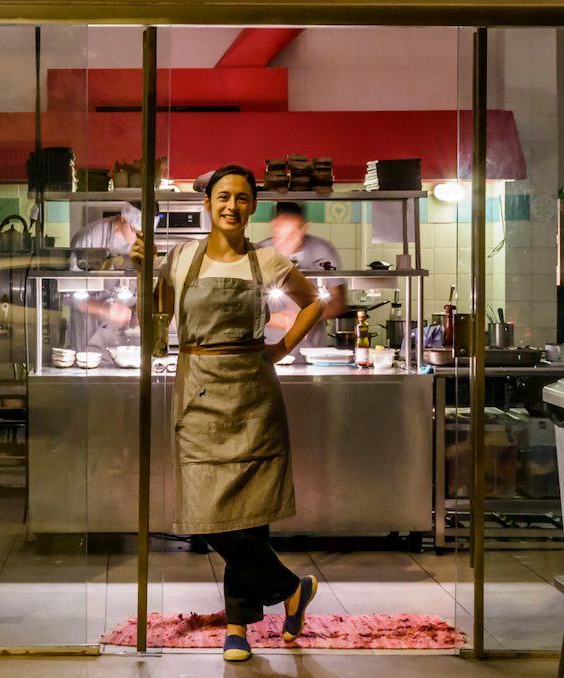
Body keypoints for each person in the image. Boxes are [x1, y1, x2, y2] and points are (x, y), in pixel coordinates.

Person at [131, 165, 322, 663]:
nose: (231, 205)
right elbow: (154, 335)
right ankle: (291, 590)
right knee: (211, 519)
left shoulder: (268, 260)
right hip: (198, 396)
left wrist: (279, 350)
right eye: (222, 196)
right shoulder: (181, 258)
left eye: (241, 197)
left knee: (250, 519)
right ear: (207, 203)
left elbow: (313, 303)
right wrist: (141, 273)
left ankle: (237, 627)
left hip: (254, 398)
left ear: (253, 205)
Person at [258, 202, 347, 356]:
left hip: (312, 353)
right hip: (267, 352)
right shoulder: (260, 253)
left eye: (293, 234)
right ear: (273, 225)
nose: (287, 240)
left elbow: (339, 303)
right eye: (282, 234)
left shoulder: (322, 251)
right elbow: (243, 308)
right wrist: (275, 319)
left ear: (304, 227)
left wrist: (305, 317)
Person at [66, 204, 143, 364]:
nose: (138, 237)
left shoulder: (143, 245)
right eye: (134, 230)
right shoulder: (89, 239)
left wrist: (138, 315)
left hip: (122, 348)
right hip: (87, 341)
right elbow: (66, 296)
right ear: (123, 217)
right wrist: (105, 309)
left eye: (144, 234)